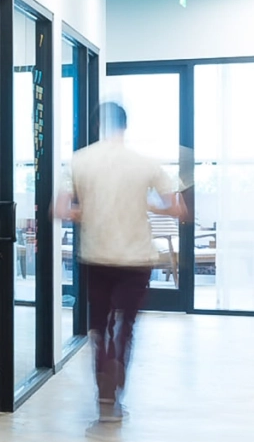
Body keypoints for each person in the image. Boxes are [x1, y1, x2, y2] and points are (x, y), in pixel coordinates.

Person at [55, 101, 187, 421]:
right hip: (136, 257)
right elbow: (178, 210)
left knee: (98, 324)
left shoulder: (78, 161)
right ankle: (118, 370)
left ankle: (104, 385)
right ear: (125, 127)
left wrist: (87, 211)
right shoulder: (146, 163)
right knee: (124, 324)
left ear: (97, 125)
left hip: (95, 255)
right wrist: (147, 206)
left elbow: (61, 211)